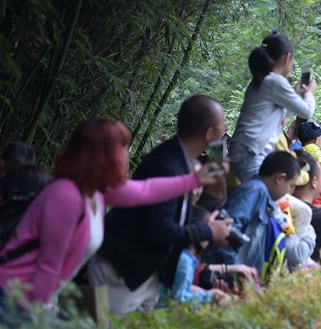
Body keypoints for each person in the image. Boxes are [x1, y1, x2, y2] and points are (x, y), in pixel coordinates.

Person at [0, 119, 221, 307]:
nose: (126, 156)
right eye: (123, 149)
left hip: (32, 298)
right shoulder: (66, 195)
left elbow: (145, 191)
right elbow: (48, 266)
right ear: (103, 155)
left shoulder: (96, 191)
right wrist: (41, 315)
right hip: (13, 296)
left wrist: (194, 180)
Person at [91, 95, 232, 315]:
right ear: (210, 133)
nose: (224, 135)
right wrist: (207, 231)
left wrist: (208, 224)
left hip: (144, 273)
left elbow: (214, 192)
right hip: (121, 272)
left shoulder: (182, 160)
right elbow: (160, 229)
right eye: (222, 130)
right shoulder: (168, 164)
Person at [229, 33, 317, 182]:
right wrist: (309, 93)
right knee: (258, 195)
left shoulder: (261, 80)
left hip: (244, 149)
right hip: (251, 152)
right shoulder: (274, 81)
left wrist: (296, 94)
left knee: (261, 197)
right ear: (287, 57)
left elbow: (279, 111)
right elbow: (306, 111)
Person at [213, 151, 306, 276]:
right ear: (280, 178)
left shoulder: (262, 194)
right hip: (232, 276)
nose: (290, 191)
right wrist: (236, 271)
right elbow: (228, 232)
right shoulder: (254, 191)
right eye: (290, 185)